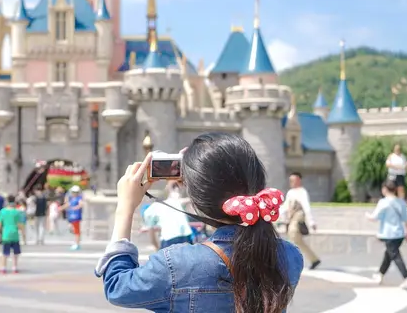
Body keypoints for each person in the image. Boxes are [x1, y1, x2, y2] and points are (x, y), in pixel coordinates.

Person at [95, 133, 303, 312]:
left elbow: (117, 286)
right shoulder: (290, 257)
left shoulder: (176, 265)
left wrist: (125, 207)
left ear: (197, 200)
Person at [366, 179, 407, 288]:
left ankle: (406, 278)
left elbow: (374, 217)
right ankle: (380, 274)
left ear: (385, 189)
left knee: (395, 256)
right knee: (389, 255)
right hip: (399, 234)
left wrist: (367, 215)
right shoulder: (401, 202)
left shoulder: (383, 202)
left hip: (389, 234)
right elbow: (406, 219)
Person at [282, 172, 321, 270]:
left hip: (299, 215)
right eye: (290, 180)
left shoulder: (302, 192)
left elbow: (306, 207)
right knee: (296, 240)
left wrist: (311, 222)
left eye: (293, 180)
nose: (291, 182)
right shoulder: (290, 193)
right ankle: (314, 259)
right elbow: (285, 207)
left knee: (293, 233)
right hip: (291, 216)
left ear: (299, 180)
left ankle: (291, 261)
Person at [142, 182, 193, 249]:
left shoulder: (156, 207)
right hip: (184, 238)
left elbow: (150, 231)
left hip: (171, 238)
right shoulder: (177, 203)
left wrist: (156, 247)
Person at [0, 195, 26, 274]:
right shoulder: (17, 212)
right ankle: (14, 267)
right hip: (15, 234)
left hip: (6, 234)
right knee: (15, 253)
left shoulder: (2, 211)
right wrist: (24, 236)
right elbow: (20, 225)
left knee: (5, 253)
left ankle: (3, 268)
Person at [62, 185, 84, 251]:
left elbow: (81, 204)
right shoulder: (72, 199)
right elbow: (67, 204)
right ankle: (76, 242)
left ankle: (77, 244)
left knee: (76, 231)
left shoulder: (79, 198)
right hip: (71, 217)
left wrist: (75, 208)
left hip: (76, 216)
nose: (74, 193)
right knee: (74, 230)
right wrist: (60, 208)